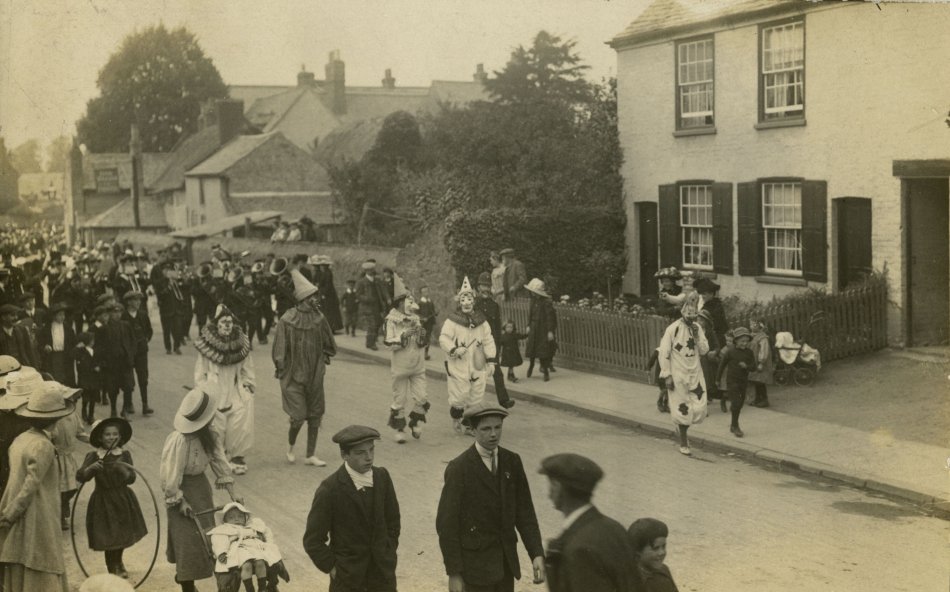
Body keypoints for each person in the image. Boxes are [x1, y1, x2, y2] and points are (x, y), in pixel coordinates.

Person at [436, 402, 545, 592]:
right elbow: (447, 525)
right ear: (473, 430)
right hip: (474, 570)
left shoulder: (512, 461)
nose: (493, 434)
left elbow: (525, 512)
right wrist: (454, 573)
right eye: (486, 429)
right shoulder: (459, 468)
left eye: (498, 427)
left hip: (505, 565)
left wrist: (536, 553)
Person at [303, 426, 400, 592]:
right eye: (360, 453)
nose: (369, 458)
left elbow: (393, 521)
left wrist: (387, 551)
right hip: (348, 582)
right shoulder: (330, 489)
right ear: (344, 455)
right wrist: (333, 568)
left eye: (371, 450)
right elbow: (313, 540)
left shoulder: (382, 477)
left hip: (382, 577)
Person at [0, 380, 75, 592]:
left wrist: (8, 512)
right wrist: (13, 512)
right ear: (56, 419)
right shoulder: (43, 445)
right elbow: (30, 485)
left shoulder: (21, 439)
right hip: (36, 512)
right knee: (41, 557)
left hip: (16, 510)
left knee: (21, 557)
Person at [160, 386, 236, 592]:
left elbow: (218, 460)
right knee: (186, 540)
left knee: (206, 538)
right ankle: (187, 584)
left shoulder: (210, 434)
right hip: (181, 490)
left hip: (200, 489)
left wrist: (233, 494)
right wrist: (179, 499)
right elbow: (170, 475)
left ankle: (189, 576)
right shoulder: (180, 440)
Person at [539, 453, 637, 592]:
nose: (549, 494)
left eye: (551, 485)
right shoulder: (614, 527)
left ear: (558, 487)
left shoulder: (577, 549)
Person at [273, 270, 336, 467]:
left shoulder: (319, 318)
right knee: (299, 416)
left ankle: (310, 455)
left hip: (315, 373)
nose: (316, 300)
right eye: (312, 296)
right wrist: (281, 366)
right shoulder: (287, 319)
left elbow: (329, 342)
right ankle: (291, 446)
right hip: (294, 373)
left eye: (315, 296)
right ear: (303, 299)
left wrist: (324, 357)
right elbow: (280, 348)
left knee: (316, 414)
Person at [76, 417, 148, 578]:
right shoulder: (94, 456)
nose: (111, 437)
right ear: (100, 438)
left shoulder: (124, 455)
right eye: (107, 434)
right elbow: (81, 476)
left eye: (115, 434)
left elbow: (132, 478)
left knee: (121, 533)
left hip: (122, 498)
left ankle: (119, 562)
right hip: (103, 500)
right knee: (109, 535)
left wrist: (123, 470)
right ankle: (111, 567)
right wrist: (91, 469)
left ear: (120, 437)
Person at [194, 305, 255, 475]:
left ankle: (236, 456)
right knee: (216, 425)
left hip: (234, 390)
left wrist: (248, 385)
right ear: (217, 324)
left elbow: (247, 368)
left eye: (230, 322)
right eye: (223, 321)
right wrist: (202, 390)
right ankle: (218, 457)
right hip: (215, 390)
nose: (227, 325)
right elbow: (200, 372)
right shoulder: (207, 347)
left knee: (240, 420)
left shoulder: (241, 344)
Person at [439, 277, 497, 433]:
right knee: (460, 393)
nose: (466, 302)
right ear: (459, 301)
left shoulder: (481, 321)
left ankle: (469, 423)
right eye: (463, 299)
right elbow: (444, 337)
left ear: (473, 301)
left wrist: (491, 361)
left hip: (477, 361)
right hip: (459, 362)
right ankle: (456, 416)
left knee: (477, 392)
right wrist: (454, 349)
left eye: (469, 299)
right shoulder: (452, 321)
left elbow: (488, 339)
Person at [657, 292, 709, 456]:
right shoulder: (673, 329)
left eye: (694, 315)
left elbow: (704, 350)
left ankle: (681, 427)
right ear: (683, 312)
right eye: (688, 314)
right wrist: (667, 375)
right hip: (678, 373)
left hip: (695, 371)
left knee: (700, 408)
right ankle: (684, 441)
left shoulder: (698, 328)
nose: (691, 318)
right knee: (683, 409)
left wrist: (697, 336)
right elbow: (664, 352)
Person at [383, 275, 429, 443]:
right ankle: (400, 429)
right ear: (399, 303)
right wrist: (403, 336)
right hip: (401, 368)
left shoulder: (416, 319)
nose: (410, 303)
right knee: (400, 399)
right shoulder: (391, 321)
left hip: (417, 366)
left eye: (411, 299)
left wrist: (421, 336)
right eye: (407, 300)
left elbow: (422, 343)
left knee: (422, 397)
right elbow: (388, 342)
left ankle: (415, 422)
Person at [208, 501, 285, 592]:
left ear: (245, 518)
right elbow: (219, 541)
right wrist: (221, 552)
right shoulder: (224, 529)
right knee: (246, 565)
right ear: (225, 520)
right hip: (239, 550)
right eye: (231, 517)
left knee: (260, 562)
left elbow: (266, 531)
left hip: (254, 548)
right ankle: (250, 589)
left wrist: (269, 543)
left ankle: (262, 588)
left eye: (240, 516)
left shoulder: (251, 526)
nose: (236, 519)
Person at [474, 272, 515, 408]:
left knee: (497, 372)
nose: (485, 289)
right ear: (478, 287)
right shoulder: (473, 304)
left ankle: (504, 400)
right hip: (476, 345)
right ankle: (473, 400)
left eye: (488, 286)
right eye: (483, 286)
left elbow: (497, 328)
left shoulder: (494, 306)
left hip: (490, 344)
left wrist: (498, 346)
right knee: (475, 373)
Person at [50, 384, 85, 531]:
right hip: (56, 458)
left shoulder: (73, 416)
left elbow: (80, 433)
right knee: (58, 488)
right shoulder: (52, 419)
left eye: (73, 401)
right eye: (67, 401)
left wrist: (96, 439)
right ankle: (60, 515)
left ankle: (63, 506)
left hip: (68, 458)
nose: (72, 404)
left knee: (72, 487)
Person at [716, 327, 755, 438]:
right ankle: (735, 426)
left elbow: (754, 367)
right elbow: (722, 365)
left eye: (746, 341)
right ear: (736, 341)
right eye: (742, 341)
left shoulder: (749, 353)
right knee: (736, 402)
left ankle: (733, 425)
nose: (744, 343)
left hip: (743, 381)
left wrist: (746, 366)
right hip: (732, 381)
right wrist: (717, 379)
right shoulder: (730, 352)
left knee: (740, 403)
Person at [121, 291, 153, 416]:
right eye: (135, 300)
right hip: (128, 353)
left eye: (139, 300)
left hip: (141, 352)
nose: (138, 302)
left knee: (143, 378)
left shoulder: (143, 315)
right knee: (128, 379)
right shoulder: (123, 316)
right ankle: (129, 404)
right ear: (129, 302)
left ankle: (145, 404)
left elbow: (149, 331)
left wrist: (145, 340)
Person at [627, 518, 679, 592]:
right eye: (656, 548)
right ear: (638, 551)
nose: (662, 552)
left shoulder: (664, 571)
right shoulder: (629, 581)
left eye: (664, 546)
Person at [524, 279, 557, 382]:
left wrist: (550, 331)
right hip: (534, 327)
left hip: (543, 328)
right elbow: (530, 314)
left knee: (543, 351)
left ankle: (545, 371)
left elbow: (550, 317)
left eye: (534, 292)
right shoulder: (533, 300)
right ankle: (531, 366)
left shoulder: (546, 302)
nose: (533, 294)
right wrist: (528, 325)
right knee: (532, 348)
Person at [39, 301, 76, 386]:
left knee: (66, 377)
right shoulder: (47, 328)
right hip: (53, 357)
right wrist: (45, 347)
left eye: (63, 315)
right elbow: (41, 343)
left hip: (65, 356)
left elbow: (73, 343)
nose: (62, 317)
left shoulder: (68, 329)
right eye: (60, 315)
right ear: (54, 316)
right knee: (54, 378)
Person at [355, 261, 388, 350]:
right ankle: (371, 343)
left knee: (378, 322)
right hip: (367, 307)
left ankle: (371, 340)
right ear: (366, 271)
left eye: (373, 270)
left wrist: (386, 300)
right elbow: (358, 295)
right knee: (372, 324)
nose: (372, 272)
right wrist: (367, 299)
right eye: (370, 270)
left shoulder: (377, 281)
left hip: (377, 307)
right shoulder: (361, 282)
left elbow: (382, 291)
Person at [73, 331, 100, 424]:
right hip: (85, 378)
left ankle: (91, 415)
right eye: (92, 340)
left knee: (93, 398)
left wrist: (98, 366)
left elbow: (99, 360)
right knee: (86, 397)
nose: (93, 342)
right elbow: (75, 357)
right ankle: (84, 410)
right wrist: (77, 347)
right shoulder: (81, 351)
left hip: (94, 378)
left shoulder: (95, 351)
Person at [747, 320, 773, 408]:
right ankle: (757, 399)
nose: (752, 326)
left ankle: (764, 400)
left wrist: (761, 362)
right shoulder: (751, 336)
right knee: (755, 380)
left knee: (760, 381)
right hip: (753, 362)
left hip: (760, 363)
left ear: (760, 326)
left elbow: (764, 350)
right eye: (751, 324)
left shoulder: (763, 337)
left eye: (755, 324)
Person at [416, 285, 436, 360]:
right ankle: (419, 353)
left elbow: (433, 311)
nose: (426, 293)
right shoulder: (420, 303)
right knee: (422, 337)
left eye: (427, 291)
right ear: (421, 293)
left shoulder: (430, 302)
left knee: (428, 337)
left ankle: (426, 353)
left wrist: (434, 314)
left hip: (429, 323)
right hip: (422, 323)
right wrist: (422, 318)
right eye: (424, 292)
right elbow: (416, 313)